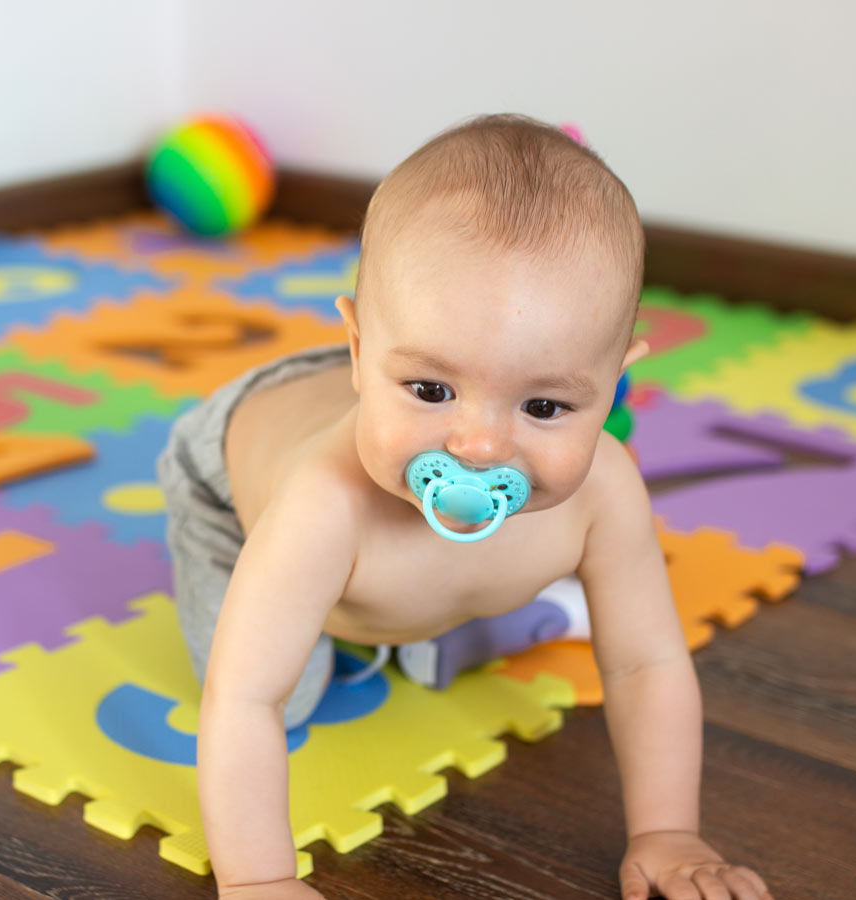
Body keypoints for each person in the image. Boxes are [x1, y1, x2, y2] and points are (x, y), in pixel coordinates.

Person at [156, 114, 773, 900]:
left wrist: (667, 833)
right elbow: (247, 700)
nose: (479, 448)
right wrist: (258, 881)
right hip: (236, 471)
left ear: (614, 382)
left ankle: (415, 618)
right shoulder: (323, 504)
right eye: (433, 391)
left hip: (384, 391)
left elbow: (646, 661)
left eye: (544, 406)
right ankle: (397, 618)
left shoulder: (605, 489)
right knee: (290, 681)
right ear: (359, 351)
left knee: (481, 572)